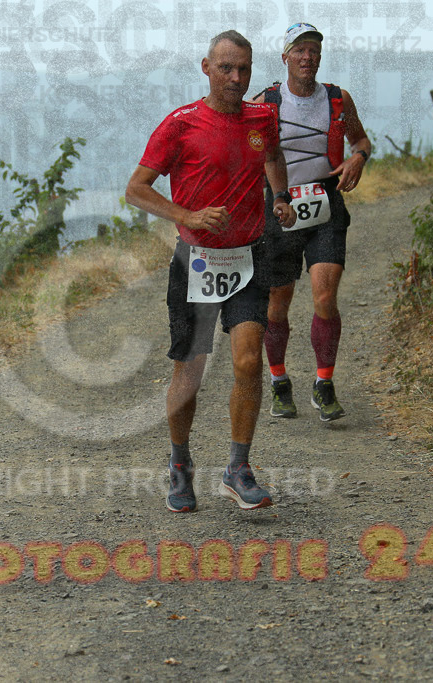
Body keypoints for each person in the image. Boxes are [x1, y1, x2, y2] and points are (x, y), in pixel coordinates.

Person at [125, 30, 297, 512]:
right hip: (196, 261)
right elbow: (136, 189)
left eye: (243, 68)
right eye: (226, 68)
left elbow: (273, 156)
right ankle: (180, 464)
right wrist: (189, 216)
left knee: (248, 361)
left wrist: (281, 196)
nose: (236, 78)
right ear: (206, 68)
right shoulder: (180, 124)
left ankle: (238, 469)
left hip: (247, 258)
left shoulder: (262, 118)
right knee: (190, 373)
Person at [250, 22, 371, 422]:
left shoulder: (338, 98)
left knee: (324, 297)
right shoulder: (265, 102)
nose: (307, 57)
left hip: (325, 203)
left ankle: (324, 383)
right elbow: (245, 152)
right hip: (280, 206)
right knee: (277, 305)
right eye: (299, 50)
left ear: (320, 56)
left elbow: (361, 141)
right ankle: (279, 381)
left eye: (313, 50)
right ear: (285, 57)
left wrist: (357, 158)